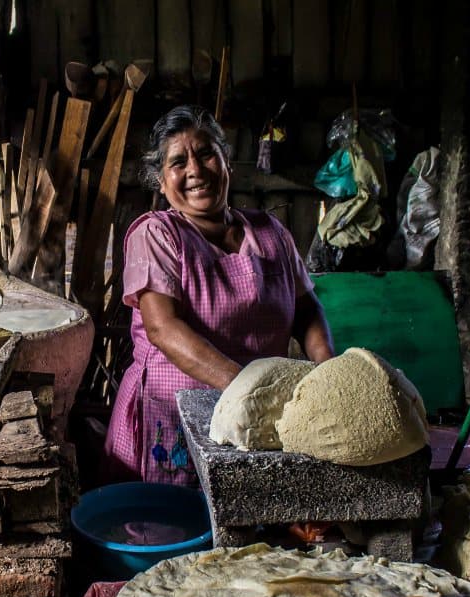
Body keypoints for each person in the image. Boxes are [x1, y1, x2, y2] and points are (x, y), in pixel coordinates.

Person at [103, 105, 335, 485]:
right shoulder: (157, 235)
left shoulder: (270, 232)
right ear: (161, 181)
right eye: (178, 162)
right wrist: (252, 390)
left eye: (206, 153)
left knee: (254, 536)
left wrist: (328, 371)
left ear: (226, 161)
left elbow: (306, 307)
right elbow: (163, 329)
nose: (195, 170)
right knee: (176, 533)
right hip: (176, 420)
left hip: (257, 418)